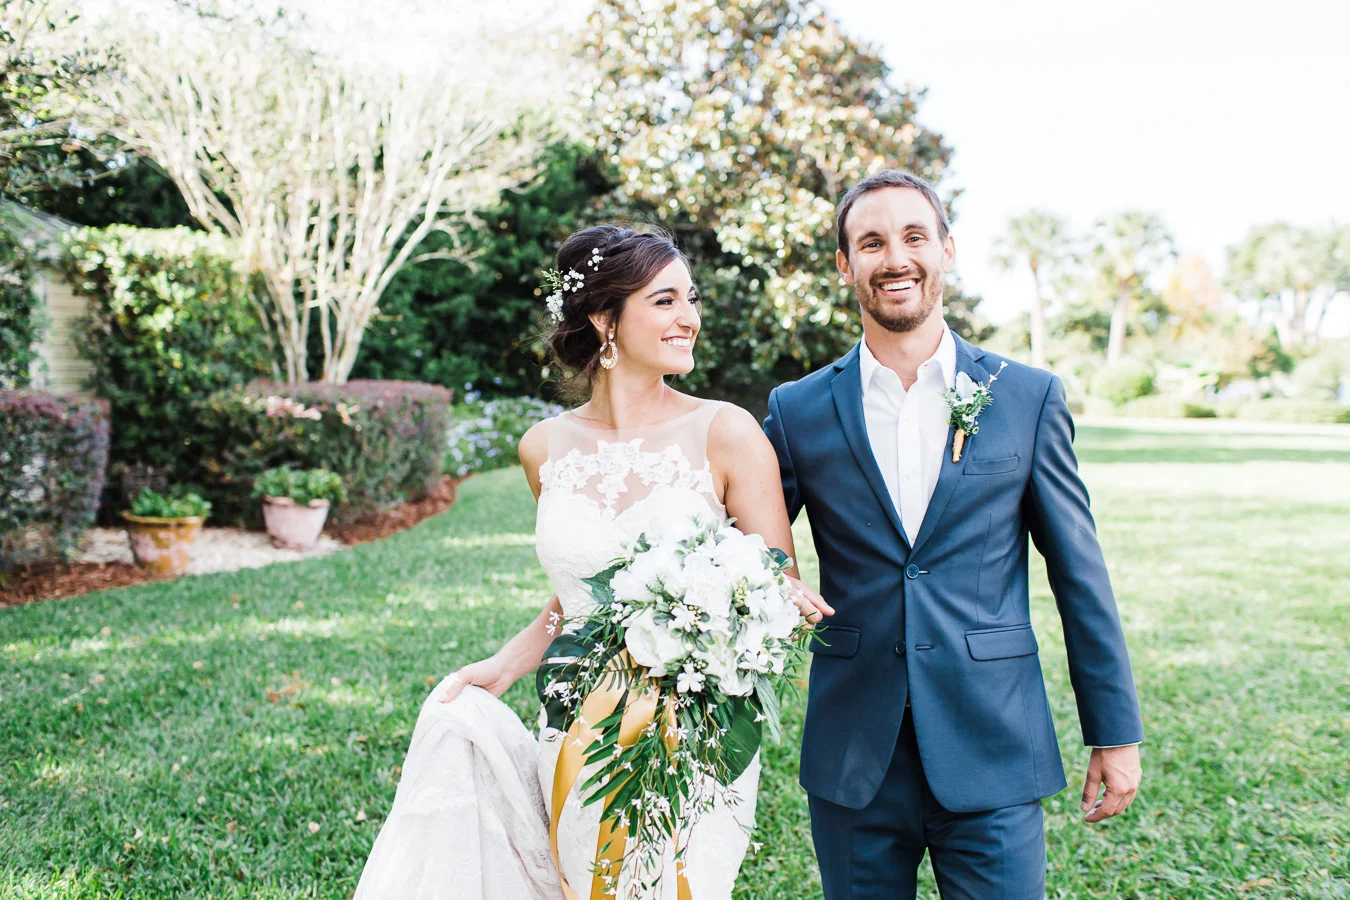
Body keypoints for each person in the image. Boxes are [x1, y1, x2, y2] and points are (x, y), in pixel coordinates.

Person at [353, 224, 833, 900]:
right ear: (605, 319)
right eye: (665, 301)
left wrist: (729, 625)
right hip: (577, 719)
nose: (690, 318)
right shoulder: (544, 448)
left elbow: (776, 588)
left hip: (693, 730)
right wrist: (506, 664)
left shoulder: (725, 431)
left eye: (691, 299)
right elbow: (578, 594)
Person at [761, 170, 1145, 899]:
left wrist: (1115, 730)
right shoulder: (797, 408)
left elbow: (1079, 574)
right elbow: (749, 551)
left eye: (914, 237)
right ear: (845, 264)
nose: (895, 258)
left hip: (993, 741)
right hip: (854, 753)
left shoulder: (1027, 397)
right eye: (871, 242)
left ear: (947, 249)